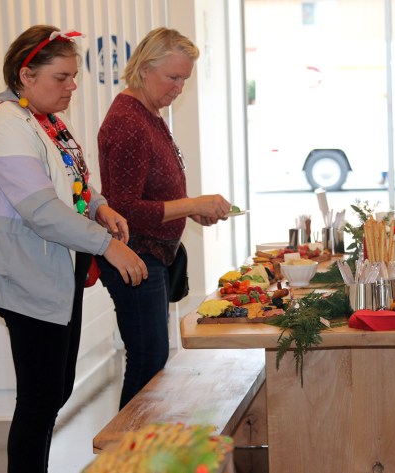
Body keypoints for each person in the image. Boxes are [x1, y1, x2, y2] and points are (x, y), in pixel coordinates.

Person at [0, 25, 148, 473]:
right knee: (40, 397)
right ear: (26, 75)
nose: (71, 86)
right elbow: (42, 210)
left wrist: (100, 207)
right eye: (61, 77)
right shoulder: (6, 127)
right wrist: (109, 246)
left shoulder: (43, 120)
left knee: (53, 391)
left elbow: (73, 183)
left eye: (73, 77)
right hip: (23, 274)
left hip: (54, 272)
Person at [97, 27, 231, 409]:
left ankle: (139, 453)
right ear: (143, 68)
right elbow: (123, 209)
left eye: (184, 79)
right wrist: (191, 205)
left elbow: (151, 196)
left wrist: (192, 209)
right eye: (173, 77)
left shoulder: (149, 114)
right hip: (136, 258)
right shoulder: (129, 120)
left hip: (152, 255)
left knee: (153, 361)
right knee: (147, 363)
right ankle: (126, 460)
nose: (179, 88)